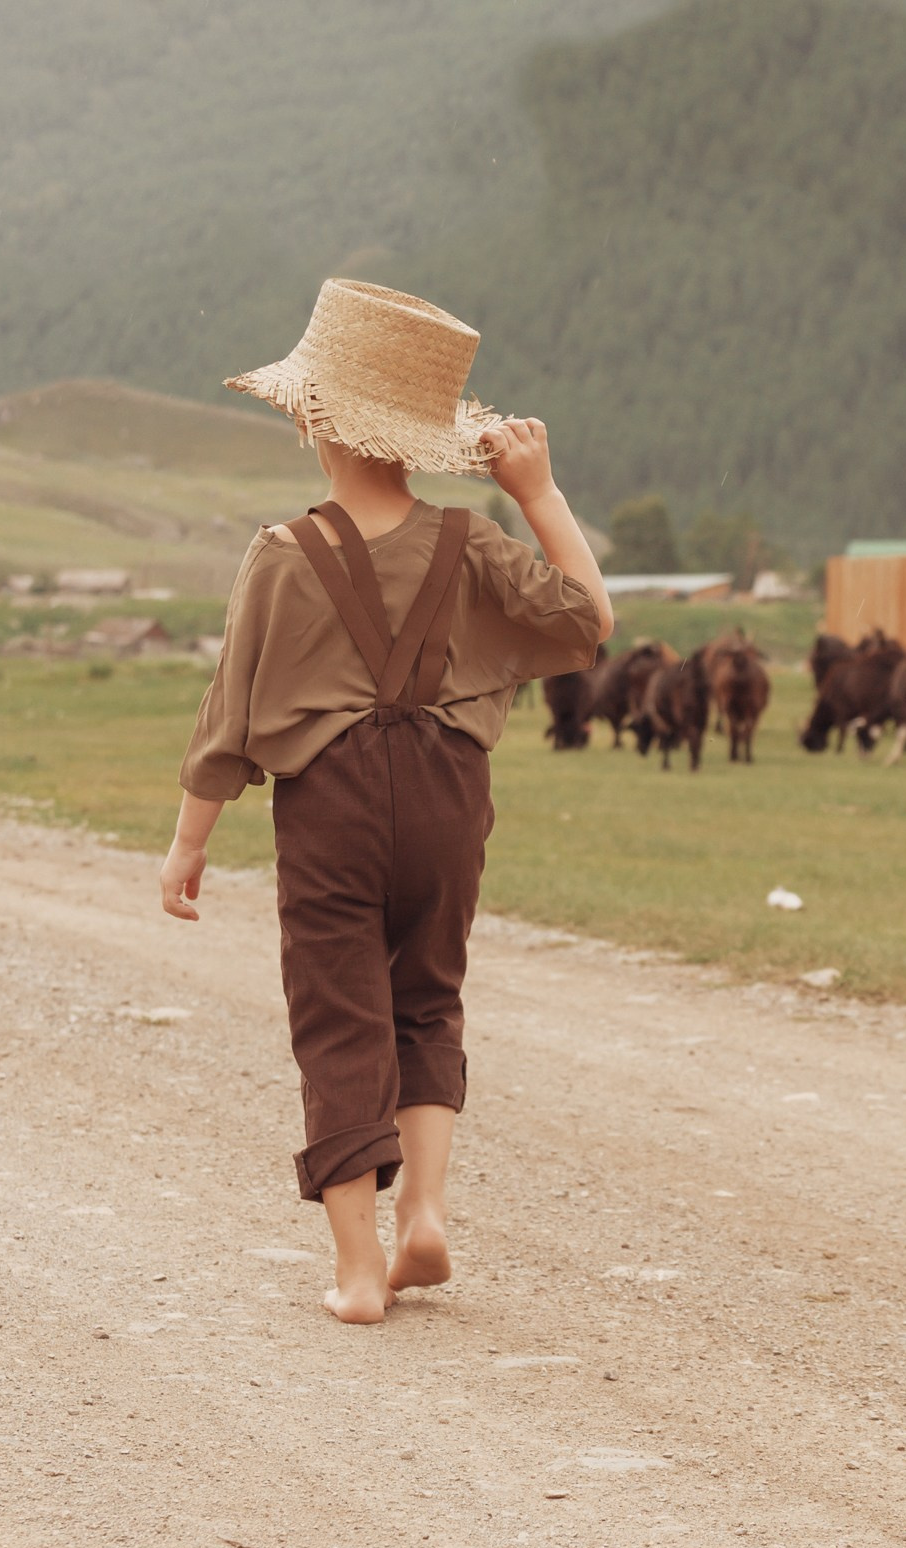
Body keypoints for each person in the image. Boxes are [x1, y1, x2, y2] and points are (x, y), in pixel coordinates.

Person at [159, 279, 613, 1323]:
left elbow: (228, 711)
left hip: (332, 801)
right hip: (450, 792)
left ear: (315, 422)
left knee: (339, 1012)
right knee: (426, 995)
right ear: (421, 442)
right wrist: (538, 494)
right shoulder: (471, 545)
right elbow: (589, 619)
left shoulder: (280, 554)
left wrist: (190, 841)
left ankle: (361, 1269)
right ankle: (428, 1213)